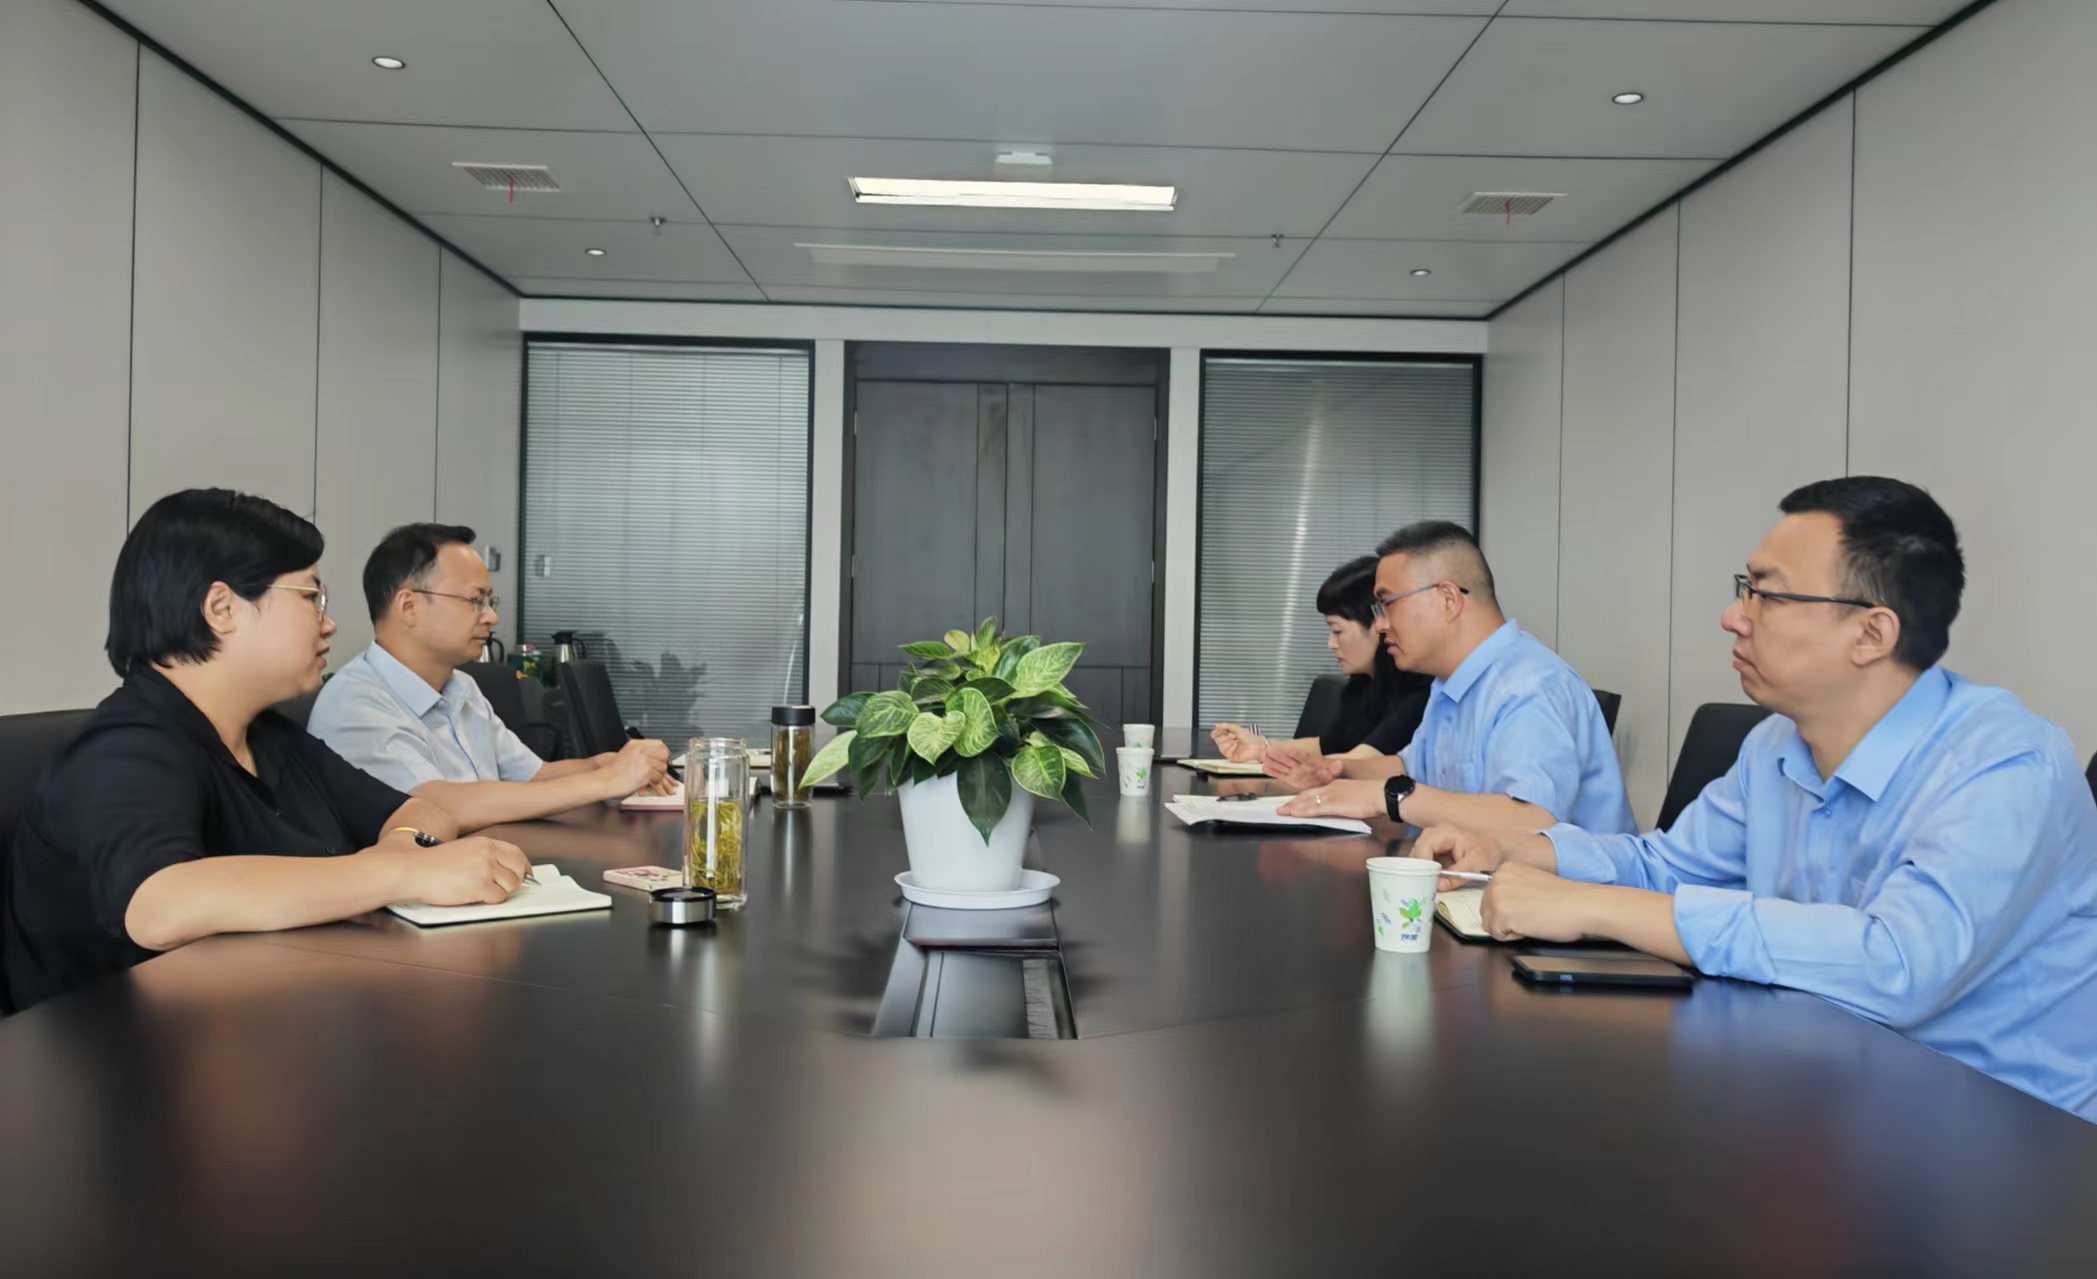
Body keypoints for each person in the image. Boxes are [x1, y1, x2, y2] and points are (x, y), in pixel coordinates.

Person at [1420, 477, 2097, 1122]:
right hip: (1818, 1089)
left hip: (2005, 1135)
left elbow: (1898, 966)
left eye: (1765, 596)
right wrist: (1519, 851)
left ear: (1871, 634)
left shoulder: (2005, 766)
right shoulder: (1776, 743)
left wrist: (1596, 905)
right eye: (1743, 589)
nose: (1731, 617)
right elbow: (1669, 866)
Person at [2, 490, 533, 1012]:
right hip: (118, 1055)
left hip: (266, 1020)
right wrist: (402, 874)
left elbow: (421, 812)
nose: (329, 623)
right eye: (310, 597)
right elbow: (160, 904)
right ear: (222, 608)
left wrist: (399, 851)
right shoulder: (123, 748)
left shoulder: (270, 736)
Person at [1275, 521, 1635, 836]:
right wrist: (1338, 770)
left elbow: (1530, 820)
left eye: (1387, 604)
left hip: (1565, 891)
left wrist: (1387, 797)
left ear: (1448, 599)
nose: (1381, 624)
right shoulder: (1449, 684)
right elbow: (1413, 768)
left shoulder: (1530, 687)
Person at [307, 523, 670, 827]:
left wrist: (603, 764)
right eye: (475, 600)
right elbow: (436, 806)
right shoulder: (354, 703)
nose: (491, 617)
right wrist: (606, 781)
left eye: (489, 602)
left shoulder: (462, 686)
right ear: (409, 605)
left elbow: (533, 776)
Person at [1210, 556, 1433, 765]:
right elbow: (1326, 747)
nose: (1331, 644)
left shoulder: (1420, 688)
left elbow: (1362, 761)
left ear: (1377, 624)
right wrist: (1262, 747)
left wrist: (1271, 756)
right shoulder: (1364, 683)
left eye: (1337, 631)